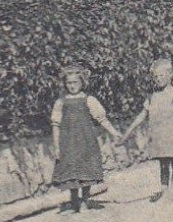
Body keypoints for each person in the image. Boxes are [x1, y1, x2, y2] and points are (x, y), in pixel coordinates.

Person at [51, 67, 123, 211]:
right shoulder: (61, 102)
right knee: (71, 172)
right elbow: (55, 124)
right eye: (69, 83)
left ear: (82, 83)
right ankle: (74, 200)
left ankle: (84, 200)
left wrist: (114, 132)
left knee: (86, 171)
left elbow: (102, 119)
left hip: (86, 141)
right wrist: (57, 146)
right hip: (68, 143)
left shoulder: (89, 100)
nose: (72, 86)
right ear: (65, 84)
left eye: (75, 82)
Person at [124, 58, 173, 203]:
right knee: (163, 165)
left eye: (162, 75)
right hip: (159, 138)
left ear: (170, 74)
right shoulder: (153, 96)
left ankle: (172, 192)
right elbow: (142, 115)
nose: (159, 79)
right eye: (156, 76)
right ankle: (164, 192)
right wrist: (128, 131)